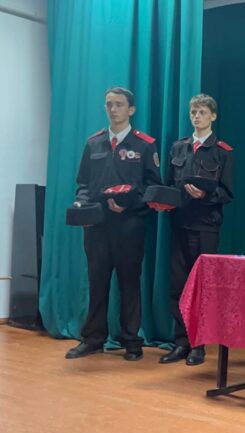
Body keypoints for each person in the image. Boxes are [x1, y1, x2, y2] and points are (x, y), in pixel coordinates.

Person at [65, 87, 161, 361]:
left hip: (129, 225)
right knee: (97, 282)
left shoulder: (144, 144)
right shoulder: (94, 142)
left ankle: (131, 340)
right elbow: (83, 183)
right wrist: (82, 205)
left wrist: (130, 204)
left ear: (131, 109)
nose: (113, 109)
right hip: (97, 225)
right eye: (109, 104)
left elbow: (153, 187)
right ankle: (93, 338)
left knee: (129, 283)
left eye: (119, 104)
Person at [159, 93, 234, 366]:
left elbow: (227, 193)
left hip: (205, 227)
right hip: (179, 223)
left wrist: (205, 195)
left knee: (201, 286)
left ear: (213, 116)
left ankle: (198, 345)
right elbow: (170, 185)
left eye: (202, 112)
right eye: (193, 112)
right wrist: (162, 201)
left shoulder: (222, 151)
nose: (197, 116)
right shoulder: (179, 147)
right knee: (177, 284)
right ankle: (181, 341)